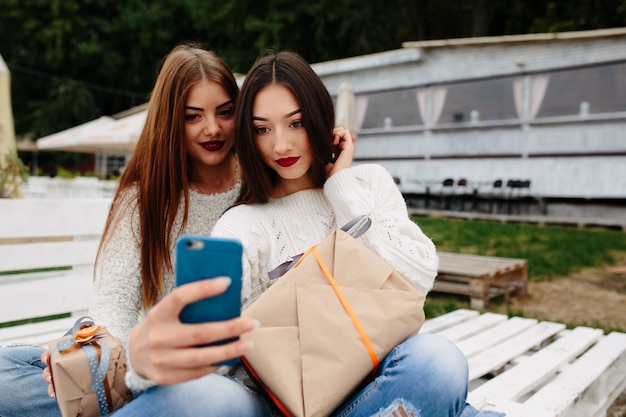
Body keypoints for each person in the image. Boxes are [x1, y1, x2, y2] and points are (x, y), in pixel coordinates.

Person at [118, 51, 504, 416]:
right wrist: (151, 360)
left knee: (438, 361)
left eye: (296, 122)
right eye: (262, 129)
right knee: (207, 399)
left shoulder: (367, 185)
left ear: (319, 117)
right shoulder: (243, 223)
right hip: (274, 404)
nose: (281, 144)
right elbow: (212, 352)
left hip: (372, 389)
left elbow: (418, 279)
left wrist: (342, 190)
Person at [0, 43, 258, 417]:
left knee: (195, 399)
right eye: (193, 116)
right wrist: (97, 364)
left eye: (225, 112)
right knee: (8, 375)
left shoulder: (259, 187)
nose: (212, 128)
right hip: (139, 367)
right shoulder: (146, 196)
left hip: (224, 381)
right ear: (170, 120)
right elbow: (113, 302)